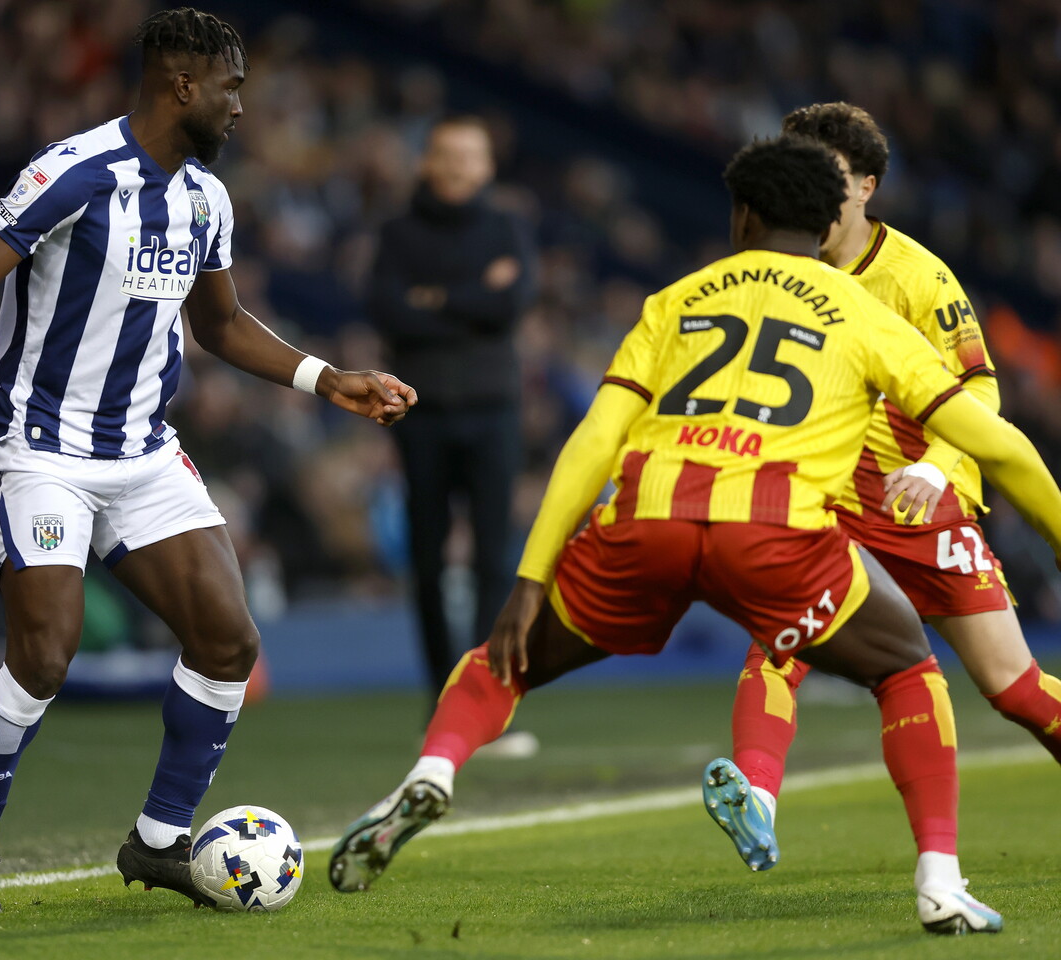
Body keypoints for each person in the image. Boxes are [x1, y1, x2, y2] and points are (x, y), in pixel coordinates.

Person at [328, 134, 1061, 935]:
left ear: (742, 213)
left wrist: (532, 576)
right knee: (906, 668)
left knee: (505, 662)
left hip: (646, 523)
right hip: (776, 535)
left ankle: (434, 767)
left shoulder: (675, 300)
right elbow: (1003, 444)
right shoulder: (860, 309)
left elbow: (595, 442)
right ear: (827, 226)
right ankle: (939, 880)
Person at [0, 8, 415, 915]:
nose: (242, 106)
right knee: (44, 655)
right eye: (232, 87)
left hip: (143, 451)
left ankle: (160, 840)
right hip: (40, 450)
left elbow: (219, 326)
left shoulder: (205, 197)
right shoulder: (74, 171)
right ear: (183, 86)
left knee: (230, 642)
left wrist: (330, 380)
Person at [719, 102, 1061, 871]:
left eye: (833, 176)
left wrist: (937, 465)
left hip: (918, 500)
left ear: (868, 186)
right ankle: (756, 799)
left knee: (1014, 686)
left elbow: (980, 389)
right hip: (824, 503)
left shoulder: (915, 275)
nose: (814, 190)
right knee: (777, 644)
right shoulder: (774, 269)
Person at [367, 117, 537, 733]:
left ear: (488, 166)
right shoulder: (397, 233)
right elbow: (389, 312)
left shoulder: (508, 227)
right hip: (422, 413)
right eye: (448, 154)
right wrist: (472, 297)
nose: (460, 166)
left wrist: (432, 298)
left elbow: (511, 305)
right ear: (426, 162)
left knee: (496, 556)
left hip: (495, 410)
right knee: (428, 559)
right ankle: (443, 696)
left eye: (472, 155)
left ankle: (484, 698)